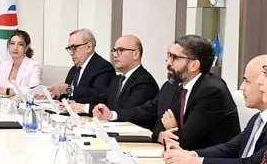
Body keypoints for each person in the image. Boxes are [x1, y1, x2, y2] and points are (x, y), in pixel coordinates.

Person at [94, 35, 238, 148]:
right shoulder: (172, 86)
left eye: (174, 57)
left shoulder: (211, 91)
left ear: (194, 65)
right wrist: (111, 115)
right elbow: (152, 117)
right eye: (168, 56)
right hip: (179, 158)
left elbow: (186, 140)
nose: (168, 62)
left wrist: (172, 129)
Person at [162, 53, 267, 164]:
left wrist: (193, 162)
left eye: (247, 81)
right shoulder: (256, 119)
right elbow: (231, 148)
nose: (241, 87)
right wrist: (191, 154)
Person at [83, 34, 158, 120]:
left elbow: (128, 113)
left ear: (136, 54)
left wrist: (110, 115)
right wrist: (87, 108)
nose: (115, 55)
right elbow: (106, 105)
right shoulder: (117, 79)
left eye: (120, 50)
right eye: (114, 50)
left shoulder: (145, 81)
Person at [45, 28, 113, 108]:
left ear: (89, 47)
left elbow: (99, 96)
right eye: (69, 48)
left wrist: (68, 89)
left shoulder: (103, 67)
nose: (71, 53)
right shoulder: (74, 70)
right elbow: (69, 96)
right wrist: (55, 95)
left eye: (74, 47)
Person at [0, 29, 42, 94]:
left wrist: (7, 91)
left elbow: (35, 90)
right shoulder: (5, 64)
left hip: (20, 100)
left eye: (20, 44)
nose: (15, 48)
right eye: (12, 43)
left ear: (26, 48)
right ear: (8, 46)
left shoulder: (33, 66)